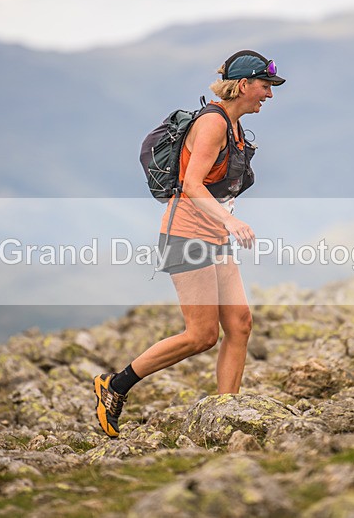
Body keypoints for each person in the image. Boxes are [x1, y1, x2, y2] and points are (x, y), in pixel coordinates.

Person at [95, 50, 285, 438]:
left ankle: (227, 412)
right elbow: (192, 185)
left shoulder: (233, 126)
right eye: (265, 87)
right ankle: (115, 385)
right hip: (188, 236)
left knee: (240, 324)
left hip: (213, 236)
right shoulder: (213, 124)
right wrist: (231, 220)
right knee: (201, 336)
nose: (268, 95)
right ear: (244, 85)